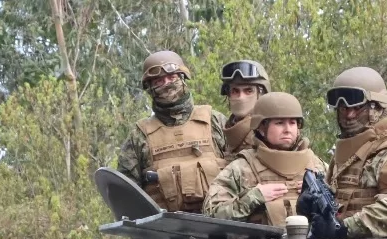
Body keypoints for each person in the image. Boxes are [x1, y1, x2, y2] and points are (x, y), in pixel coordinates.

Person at [300, 66, 387, 239]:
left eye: (358, 107)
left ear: (376, 108)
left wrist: (343, 228)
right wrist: (311, 208)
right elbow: (339, 205)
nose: (349, 115)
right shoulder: (350, 152)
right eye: (343, 108)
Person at [116, 50, 227, 213]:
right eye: (159, 81)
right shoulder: (139, 135)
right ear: (149, 88)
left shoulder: (214, 121)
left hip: (219, 226)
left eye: (172, 77)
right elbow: (127, 196)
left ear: (183, 77)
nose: (167, 83)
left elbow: (241, 175)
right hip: (165, 228)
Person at [204, 92, 327, 227]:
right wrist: (253, 198)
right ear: (261, 128)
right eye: (279, 123)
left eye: (292, 123)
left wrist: (323, 195)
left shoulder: (316, 166)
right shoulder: (241, 168)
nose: (287, 129)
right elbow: (211, 214)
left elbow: (341, 210)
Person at [218, 59, 271, 160]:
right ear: (228, 94)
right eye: (235, 91)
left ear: (261, 94)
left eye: (248, 91)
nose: (241, 97)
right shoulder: (224, 132)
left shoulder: (269, 135)